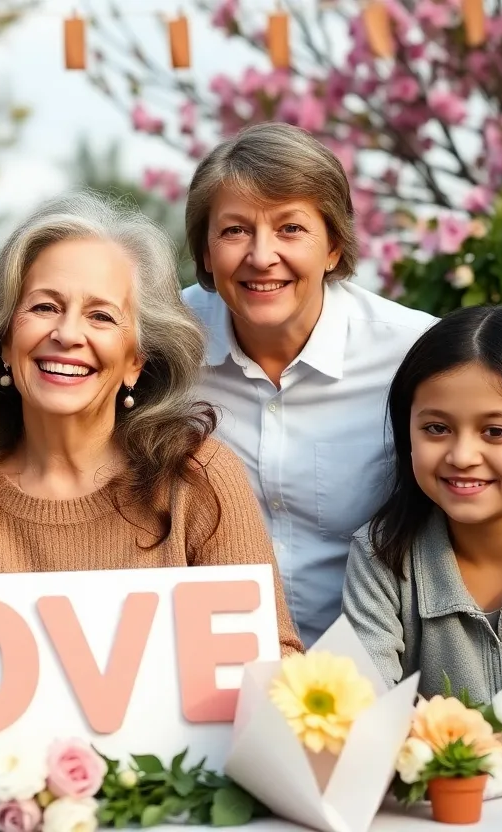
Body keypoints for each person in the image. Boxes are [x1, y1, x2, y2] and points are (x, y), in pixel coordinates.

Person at [0, 191, 302, 657]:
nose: (66, 334)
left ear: (136, 362)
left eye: (101, 316)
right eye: (44, 307)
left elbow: (274, 663)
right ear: (5, 338)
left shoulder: (198, 481)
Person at [181, 122, 436, 646]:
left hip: (376, 673)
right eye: (234, 231)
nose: (261, 255)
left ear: (334, 247)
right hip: (210, 674)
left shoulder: (414, 353)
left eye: (290, 229)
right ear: (206, 252)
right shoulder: (166, 343)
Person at [343, 305, 502, 759]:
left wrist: (491, 739)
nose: (462, 455)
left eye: (495, 431)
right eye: (436, 428)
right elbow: (366, 713)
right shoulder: (383, 553)